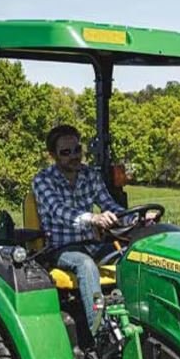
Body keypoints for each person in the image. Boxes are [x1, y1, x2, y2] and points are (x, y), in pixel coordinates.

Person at [31, 124, 126, 332]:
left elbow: (109, 204)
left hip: (92, 244)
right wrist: (93, 218)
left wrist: (137, 217)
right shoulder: (43, 180)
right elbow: (58, 211)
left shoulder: (89, 174)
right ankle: (100, 330)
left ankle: (134, 318)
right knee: (86, 265)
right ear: (53, 155)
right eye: (66, 152)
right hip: (61, 249)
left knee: (131, 256)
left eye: (77, 150)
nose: (74, 156)